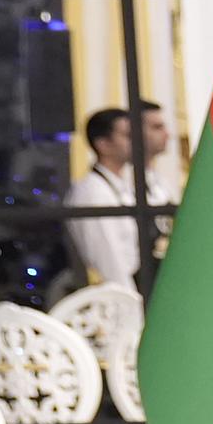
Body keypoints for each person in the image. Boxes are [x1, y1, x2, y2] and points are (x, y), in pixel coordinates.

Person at [63, 101, 173, 288]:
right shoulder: (93, 193)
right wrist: (131, 300)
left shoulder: (124, 186)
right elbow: (110, 261)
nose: (137, 141)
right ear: (104, 145)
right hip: (122, 292)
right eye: (128, 136)